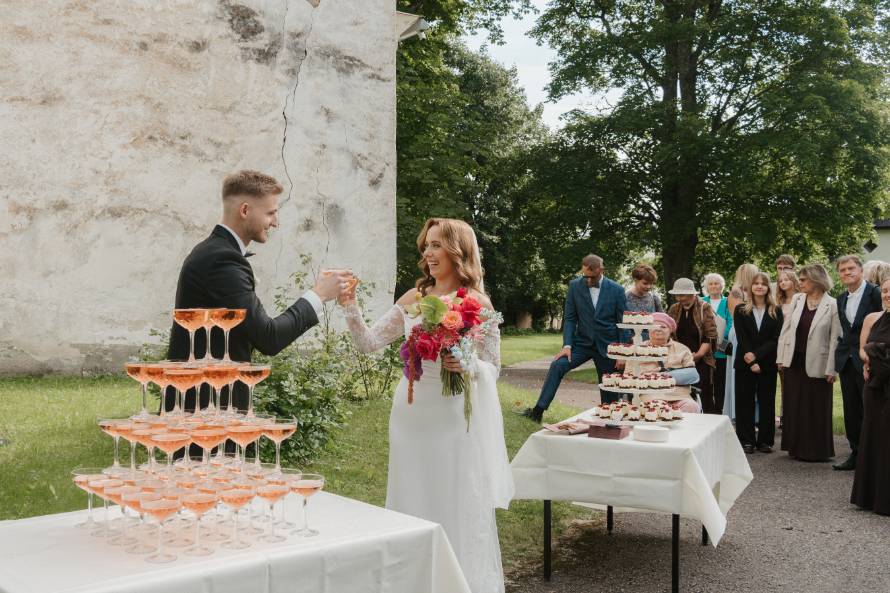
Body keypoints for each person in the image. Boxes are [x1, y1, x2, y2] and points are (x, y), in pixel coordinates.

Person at [341, 217, 513, 593]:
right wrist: (350, 306)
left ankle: (457, 582)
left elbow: (493, 368)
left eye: (436, 245)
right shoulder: (413, 298)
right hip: (411, 414)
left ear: (457, 251)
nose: (428, 253)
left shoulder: (477, 303)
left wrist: (467, 364)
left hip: (452, 416)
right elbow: (368, 343)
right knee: (411, 492)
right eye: (426, 245)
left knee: (454, 495)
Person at [166, 170, 347, 412]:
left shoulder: (214, 252)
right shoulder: (222, 260)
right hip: (207, 408)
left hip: (208, 402)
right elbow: (268, 337)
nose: (276, 222)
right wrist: (319, 295)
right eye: (271, 213)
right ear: (245, 210)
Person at [520, 254, 627, 422]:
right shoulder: (575, 286)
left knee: (609, 390)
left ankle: (610, 422)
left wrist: (622, 353)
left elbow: (623, 323)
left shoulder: (617, 290)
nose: (587, 280)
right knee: (558, 365)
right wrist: (567, 345)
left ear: (601, 270)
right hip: (581, 344)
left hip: (608, 346)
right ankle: (537, 411)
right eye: (585, 275)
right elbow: (570, 318)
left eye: (591, 276)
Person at [777, 264, 841, 462]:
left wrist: (832, 368)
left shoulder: (833, 304)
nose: (799, 283)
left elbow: (835, 339)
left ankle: (816, 450)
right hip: (794, 362)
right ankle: (795, 447)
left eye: (803, 280)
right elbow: (786, 330)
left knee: (816, 407)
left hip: (819, 364)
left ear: (816, 280)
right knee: (794, 405)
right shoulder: (797, 299)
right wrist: (781, 357)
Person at [833, 255, 882, 471]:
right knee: (851, 410)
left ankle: (872, 457)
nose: (847, 273)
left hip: (870, 360)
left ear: (861, 270)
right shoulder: (840, 298)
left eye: (851, 268)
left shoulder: (876, 293)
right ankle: (855, 453)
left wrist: (871, 356)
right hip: (846, 359)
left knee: (870, 408)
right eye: (842, 270)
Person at [851, 277, 890, 515]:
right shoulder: (872, 318)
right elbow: (862, 350)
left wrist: (876, 354)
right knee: (874, 436)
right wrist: (873, 357)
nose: (887, 294)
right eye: (885, 290)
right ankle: (872, 496)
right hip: (875, 387)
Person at [733, 272, 783, 453]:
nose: (759, 286)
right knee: (744, 402)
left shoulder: (775, 310)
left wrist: (757, 356)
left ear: (768, 287)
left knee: (767, 402)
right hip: (744, 362)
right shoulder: (740, 310)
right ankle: (746, 440)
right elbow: (742, 336)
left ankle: (765, 441)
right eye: (756, 284)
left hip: (767, 363)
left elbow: (775, 338)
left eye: (763, 284)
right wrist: (749, 357)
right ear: (750, 287)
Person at [667, 278, 719, 412]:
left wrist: (699, 354)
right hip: (679, 360)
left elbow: (711, 335)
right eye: (677, 295)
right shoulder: (674, 309)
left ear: (692, 294)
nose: (680, 298)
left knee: (704, 394)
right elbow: (669, 333)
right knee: (681, 394)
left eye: (682, 295)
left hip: (701, 359)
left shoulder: (704, 307)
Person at [635, 312, 701, 413]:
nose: (658, 329)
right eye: (654, 326)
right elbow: (629, 376)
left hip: (679, 395)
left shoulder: (682, 349)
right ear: (648, 329)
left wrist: (666, 376)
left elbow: (692, 375)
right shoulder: (637, 350)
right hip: (650, 395)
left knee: (692, 406)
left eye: (663, 327)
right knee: (655, 408)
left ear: (670, 330)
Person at [724, 263, 760, 421]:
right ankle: (738, 413)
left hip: (753, 332)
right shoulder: (736, 292)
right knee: (739, 370)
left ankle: (755, 415)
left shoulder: (752, 292)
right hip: (740, 333)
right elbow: (737, 316)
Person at [774, 269, 800, 428]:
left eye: (786, 279)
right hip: (781, 345)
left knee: (796, 383)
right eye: (780, 280)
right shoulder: (778, 302)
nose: (783, 282)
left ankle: (796, 415)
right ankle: (785, 415)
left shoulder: (802, 299)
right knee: (785, 383)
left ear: (794, 281)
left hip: (798, 345)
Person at [703, 273, 731, 413]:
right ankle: (707, 411)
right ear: (706, 287)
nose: (714, 286)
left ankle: (720, 410)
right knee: (706, 383)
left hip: (722, 349)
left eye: (716, 283)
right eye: (711, 283)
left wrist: (721, 339)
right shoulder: (701, 301)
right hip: (705, 349)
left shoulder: (728, 302)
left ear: (722, 286)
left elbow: (731, 322)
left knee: (721, 382)